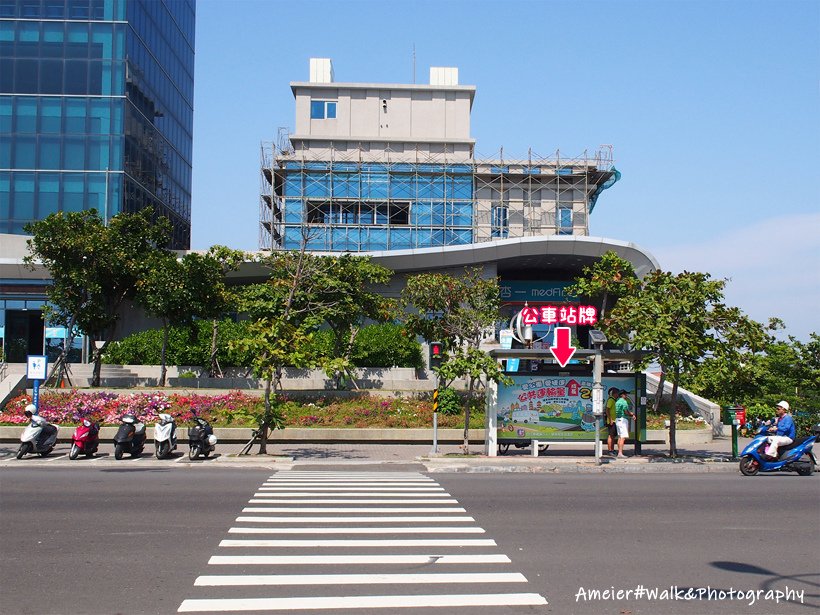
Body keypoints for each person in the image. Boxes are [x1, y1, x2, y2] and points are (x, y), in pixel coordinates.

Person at [615, 389, 636, 459]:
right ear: (622, 395)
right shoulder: (624, 402)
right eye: (625, 394)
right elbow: (626, 411)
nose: (626, 395)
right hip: (623, 420)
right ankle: (620, 453)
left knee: (619, 437)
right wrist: (632, 414)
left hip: (617, 420)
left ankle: (619, 452)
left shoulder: (617, 402)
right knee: (623, 438)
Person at [605, 387, 619, 455]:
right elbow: (607, 410)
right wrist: (610, 419)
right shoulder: (611, 400)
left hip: (614, 421)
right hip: (612, 421)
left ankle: (612, 449)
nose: (618, 395)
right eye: (617, 393)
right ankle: (610, 450)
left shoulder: (614, 400)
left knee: (613, 436)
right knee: (611, 436)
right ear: (614, 394)